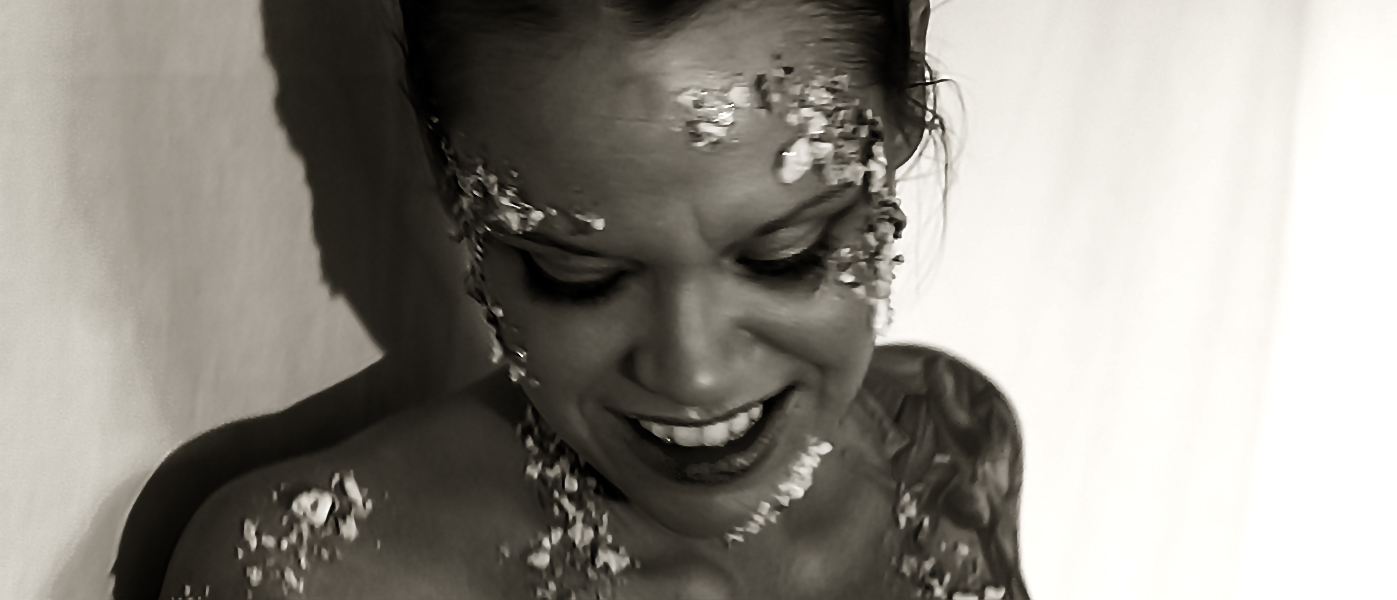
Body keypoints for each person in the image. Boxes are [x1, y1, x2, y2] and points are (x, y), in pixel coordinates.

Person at [160, 0, 1029, 598]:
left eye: (784, 255)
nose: (692, 373)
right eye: (578, 276)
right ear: (452, 179)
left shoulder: (947, 444)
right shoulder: (305, 574)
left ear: (903, 106)